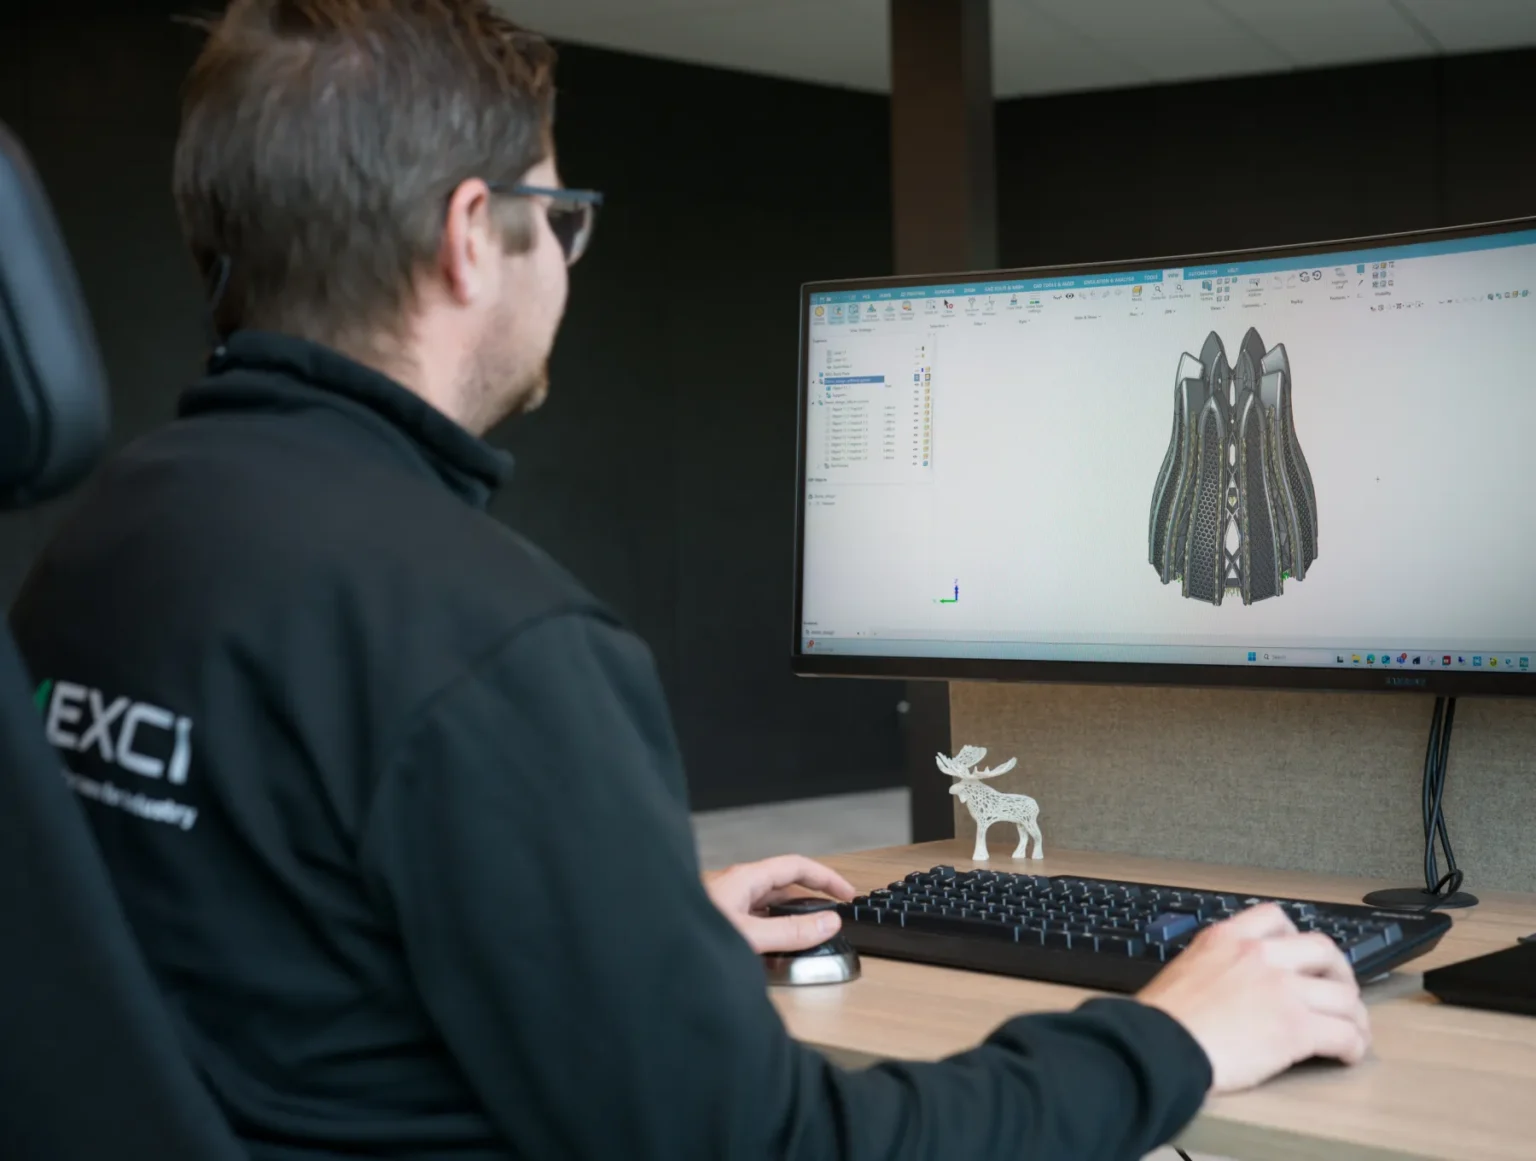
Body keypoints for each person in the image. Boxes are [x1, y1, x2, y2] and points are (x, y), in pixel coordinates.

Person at [8, 2, 1370, 1158]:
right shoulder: (491, 643)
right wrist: (1169, 1039)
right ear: (474, 234)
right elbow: (776, 1145)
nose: (566, 263)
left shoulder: (107, 546)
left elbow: (255, 942)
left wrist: (617, 937)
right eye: (560, 218)